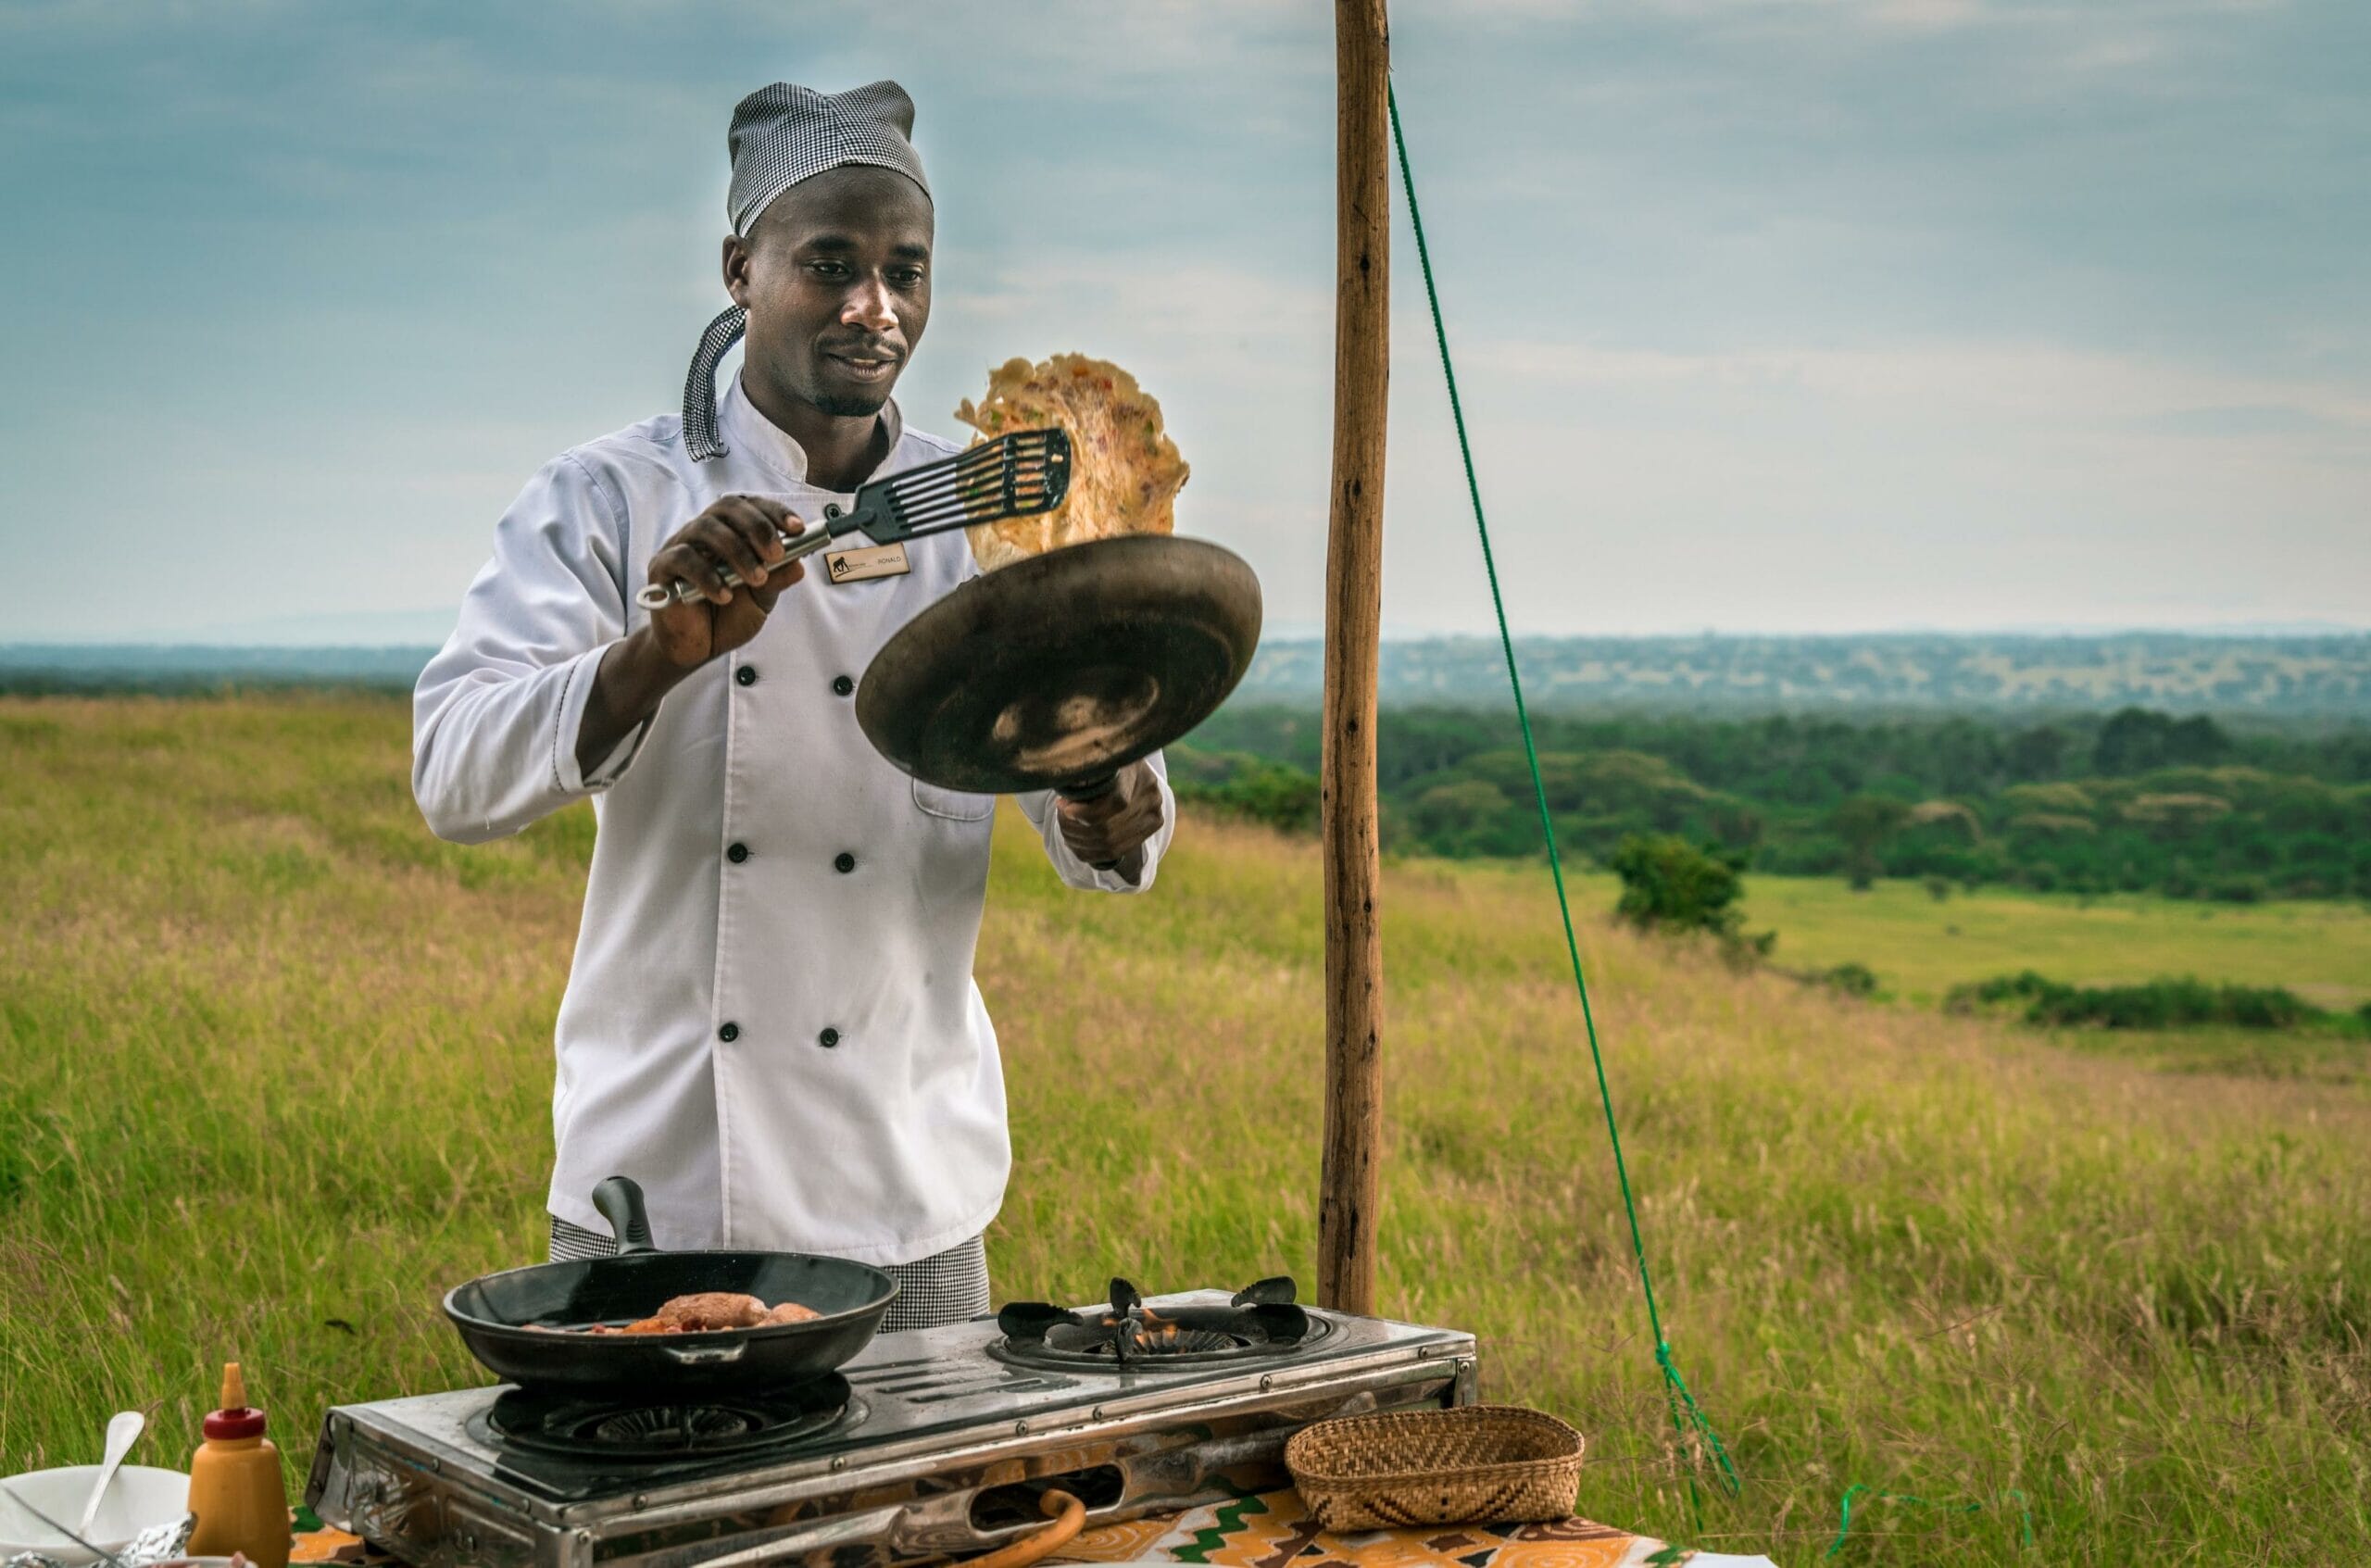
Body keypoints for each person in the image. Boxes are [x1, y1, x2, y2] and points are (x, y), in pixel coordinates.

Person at [412, 80, 1173, 1331]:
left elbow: (1116, 849)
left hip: (907, 1200)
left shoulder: (988, 511)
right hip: (664, 1197)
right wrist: (654, 656)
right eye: (830, 264)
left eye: (905, 270)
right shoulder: (606, 497)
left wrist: (1099, 772)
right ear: (739, 269)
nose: (875, 307)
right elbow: (454, 771)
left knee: (918, 1532)